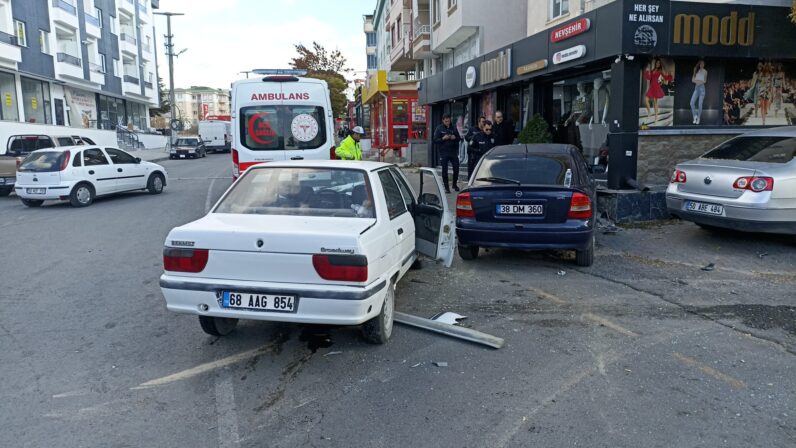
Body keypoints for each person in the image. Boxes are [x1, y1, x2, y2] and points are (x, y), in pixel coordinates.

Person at [433, 114, 461, 193]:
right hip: (443, 152)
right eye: (445, 121)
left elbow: (459, 138)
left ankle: (454, 184)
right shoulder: (439, 128)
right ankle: (446, 187)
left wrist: (454, 137)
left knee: (456, 168)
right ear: (443, 121)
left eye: (448, 121)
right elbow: (435, 140)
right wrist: (443, 138)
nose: (447, 122)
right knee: (444, 170)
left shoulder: (454, 128)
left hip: (453, 152)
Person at [643, 58, 673, 125]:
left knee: (655, 103)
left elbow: (665, 77)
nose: (658, 64)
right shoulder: (652, 70)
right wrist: (647, 71)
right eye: (657, 63)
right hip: (651, 86)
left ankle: (656, 118)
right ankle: (649, 113)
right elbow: (648, 78)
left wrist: (670, 75)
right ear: (655, 63)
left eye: (659, 63)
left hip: (656, 86)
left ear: (660, 64)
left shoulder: (660, 71)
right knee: (646, 99)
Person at [690, 60, 707, 125]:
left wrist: (698, 81)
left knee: (700, 104)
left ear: (704, 64)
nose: (701, 65)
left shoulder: (705, 71)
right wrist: (698, 81)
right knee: (691, 102)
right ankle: (695, 116)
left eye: (703, 64)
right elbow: (692, 80)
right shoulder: (696, 70)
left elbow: (705, 81)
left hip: (702, 89)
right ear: (699, 64)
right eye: (700, 64)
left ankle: (698, 118)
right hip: (696, 88)